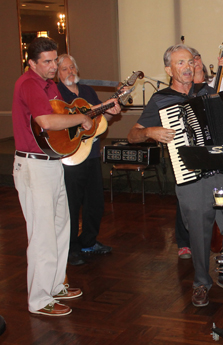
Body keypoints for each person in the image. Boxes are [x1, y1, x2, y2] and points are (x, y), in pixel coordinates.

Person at [127, 44, 223, 307]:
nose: (187, 67)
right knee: (198, 231)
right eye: (180, 63)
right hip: (191, 176)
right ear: (168, 69)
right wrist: (150, 132)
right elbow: (132, 134)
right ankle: (200, 282)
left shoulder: (211, 94)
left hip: (222, 170)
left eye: (190, 62)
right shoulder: (160, 100)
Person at [12, 37, 84, 316]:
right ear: (31, 63)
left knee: (60, 227)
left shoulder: (50, 83)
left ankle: (54, 286)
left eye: (55, 60)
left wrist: (88, 113)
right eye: (48, 62)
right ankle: (39, 301)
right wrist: (82, 119)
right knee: (42, 235)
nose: (54, 66)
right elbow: (47, 121)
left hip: (52, 162)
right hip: (33, 167)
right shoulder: (29, 83)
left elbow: (62, 116)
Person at [173, 47, 223, 259]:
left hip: (218, 166)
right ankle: (199, 275)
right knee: (194, 215)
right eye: (187, 61)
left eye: (195, 59)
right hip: (191, 166)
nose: (192, 64)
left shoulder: (211, 88)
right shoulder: (174, 95)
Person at [57, 54, 121, 266]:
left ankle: (89, 242)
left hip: (91, 153)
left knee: (95, 203)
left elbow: (101, 121)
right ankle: (70, 248)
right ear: (58, 73)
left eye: (72, 68)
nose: (70, 72)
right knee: (72, 206)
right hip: (70, 156)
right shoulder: (56, 93)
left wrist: (110, 111)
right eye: (65, 69)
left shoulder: (87, 91)